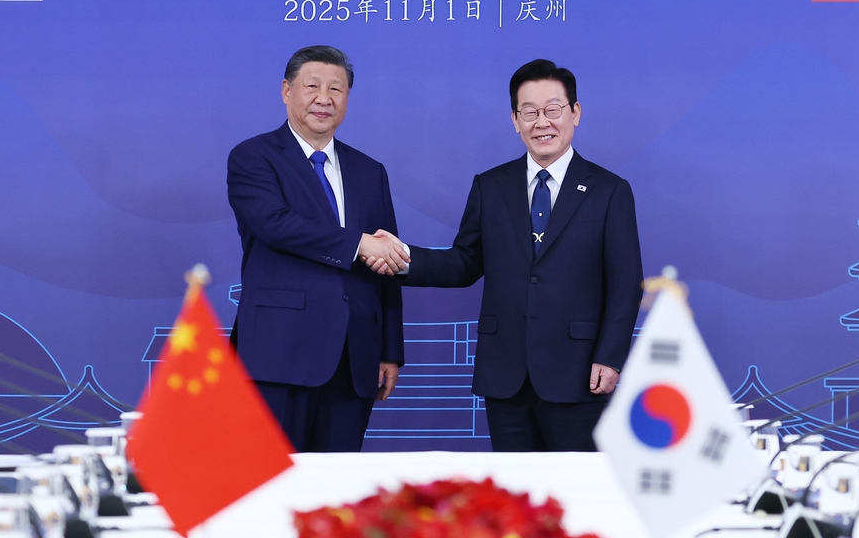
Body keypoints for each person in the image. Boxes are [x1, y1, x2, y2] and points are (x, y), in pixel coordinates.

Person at [367, 59, 643, 451]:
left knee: (577, 496)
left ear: (575, 113)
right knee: (517, 494)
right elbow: (464, 262)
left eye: (553, 109)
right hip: (506, 374)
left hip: (579, 373)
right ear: (515, 119)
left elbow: (625, 283)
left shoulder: (609, 190)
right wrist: (402, 256)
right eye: (529, 112)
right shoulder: (491, 186)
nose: (541, 122)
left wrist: (611, 357)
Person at [226, 45, 410, 452]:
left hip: (354, 359)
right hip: (279, 354)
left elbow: (387, 260)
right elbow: (276, 226)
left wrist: (389, 350)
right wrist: (358, 243)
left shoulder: (369, 170)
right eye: (312, 86)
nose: (324, 98)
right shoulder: (253, 157)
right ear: (286, 90)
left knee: (338, 492)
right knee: (272, 486)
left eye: (336, 89)